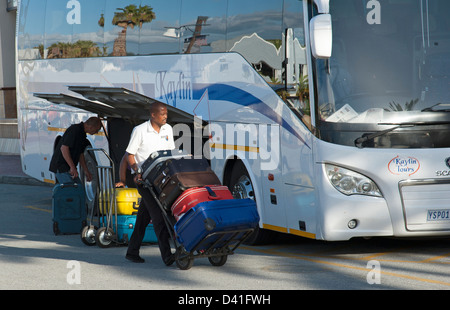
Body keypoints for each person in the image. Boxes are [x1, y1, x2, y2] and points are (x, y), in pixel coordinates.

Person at [125, 102, 176, 266]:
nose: (165, 116)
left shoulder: (168, 129)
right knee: (159, 217)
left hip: (162, 179)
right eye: (162, 114)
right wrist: (136, 170)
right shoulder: (139, 130)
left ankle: (132, 252)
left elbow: (170, 153)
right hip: (145, 181)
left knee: (144, 217)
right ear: (153, 115)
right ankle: (167, 256)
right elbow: (130, 154)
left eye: (166, 113)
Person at [49, 117, 102, 184]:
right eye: (97, 130)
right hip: (61, 167)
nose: (96, 132)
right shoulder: (74, 130)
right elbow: (64, 148)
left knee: (78, 189)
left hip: (69, 167)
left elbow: (80, 154)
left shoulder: (82, 134)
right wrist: (72, 167)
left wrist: (86, 171)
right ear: (91, 127)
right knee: (71, 190)